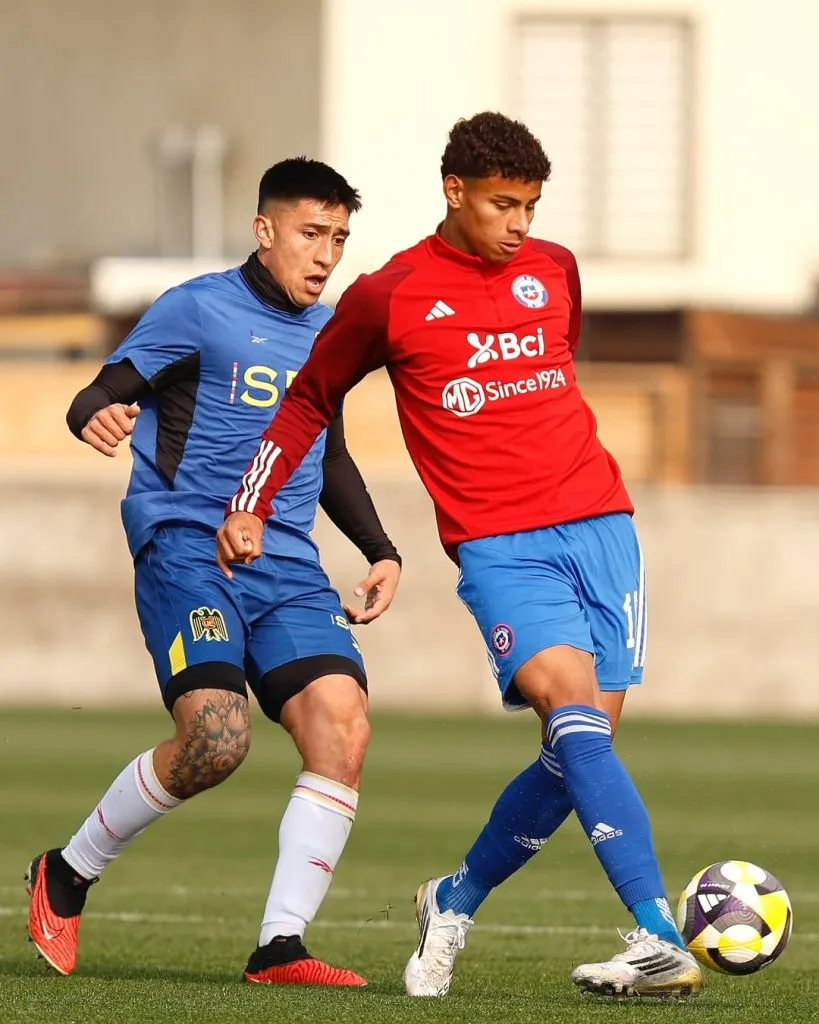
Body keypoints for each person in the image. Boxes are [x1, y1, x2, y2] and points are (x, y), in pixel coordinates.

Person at [216, 114, 703, 1001]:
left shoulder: (552, 269)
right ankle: (654, 931)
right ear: (455, 192)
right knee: (573, 717)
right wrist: (247, 503)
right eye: (502, 204)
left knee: (577, 755)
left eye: (530, 206)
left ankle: (453, 898)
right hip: (498, 546)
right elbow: (305, 404)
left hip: (603, 527)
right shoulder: (389, 294)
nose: (520, 224)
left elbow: (553, 370)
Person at [26, 157, 402, 987]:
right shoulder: (195, 308)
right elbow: (99, 390)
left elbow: (327, 454)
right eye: (310, 233)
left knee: (343, 728)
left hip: (288, 565)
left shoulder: (330, 333)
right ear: (264, 230)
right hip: (188, 548)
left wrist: (380, 549)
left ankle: (280, 946)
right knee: (216, 737)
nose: (325, 254)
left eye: (338, 238)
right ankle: (68, 870)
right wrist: (100, 414)